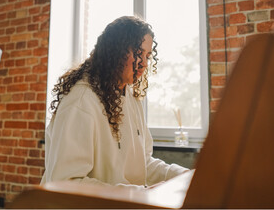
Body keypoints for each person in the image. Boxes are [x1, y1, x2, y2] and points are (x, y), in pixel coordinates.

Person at [41, 16, 190, 189]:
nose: (143, 64)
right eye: (137, 53)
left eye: (147, 56)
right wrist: (141, 193)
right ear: (115, 51)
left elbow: (143, 164)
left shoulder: (131, 97)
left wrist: (182, 175)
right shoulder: (81, 100)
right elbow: (66, 183)